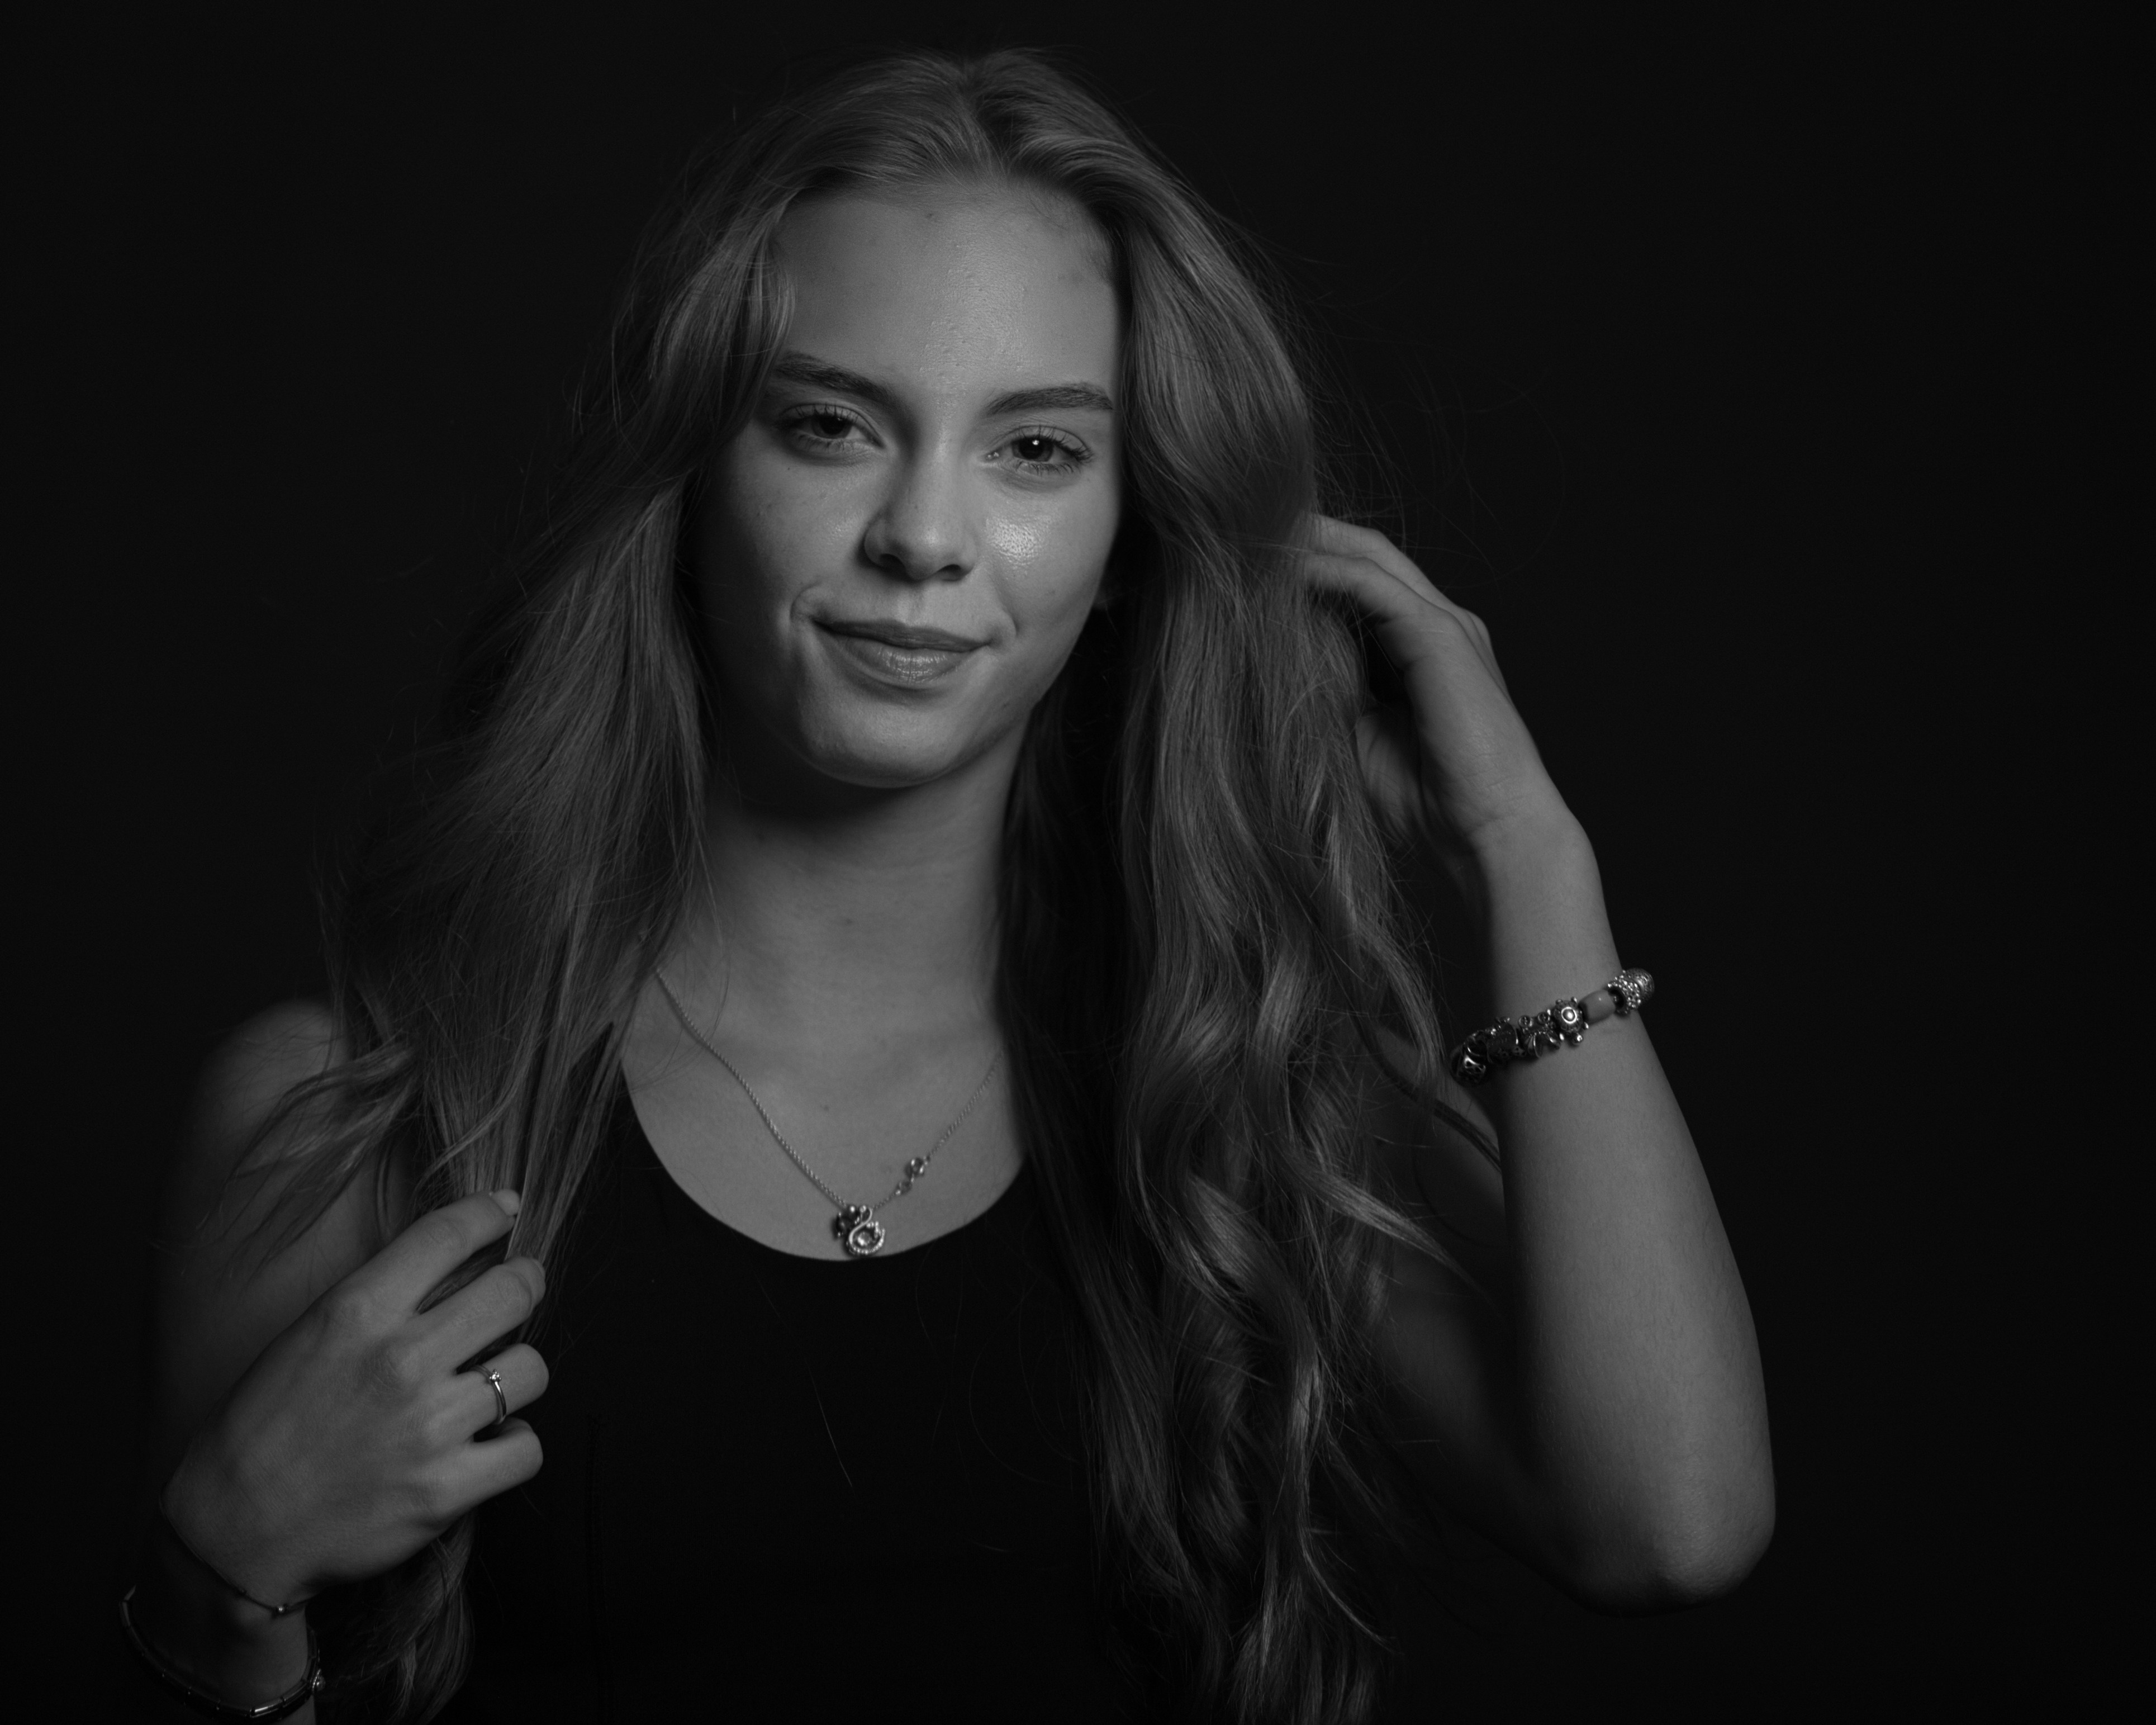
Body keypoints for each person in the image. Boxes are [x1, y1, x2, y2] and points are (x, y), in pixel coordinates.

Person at [124, 45, 1774, 1725]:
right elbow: (227, 1641)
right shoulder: (361, 1116)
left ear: (1135, 531)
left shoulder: (1228, 1108)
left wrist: (1523, 852)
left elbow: (1667, 1523)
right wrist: (218, 1587)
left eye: (1037, 450)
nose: (924, 536)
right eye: (832, 425)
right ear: (695, 475)